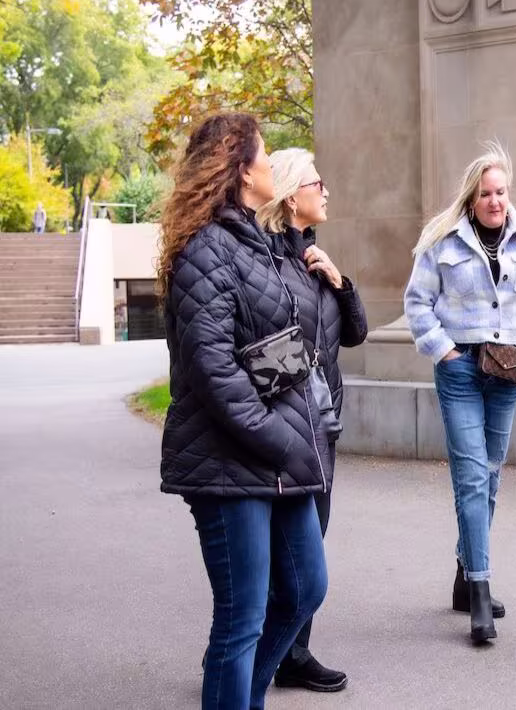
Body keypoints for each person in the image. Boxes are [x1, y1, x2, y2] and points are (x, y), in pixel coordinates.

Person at [157, 113, 331, 709]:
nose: (270, 161)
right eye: (263, 152)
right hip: (230, 460)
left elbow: (275, 342)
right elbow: (212, 370)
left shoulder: (255, 241)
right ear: (241, 169)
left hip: (278, 450)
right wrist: (279, 438)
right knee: (241, 617)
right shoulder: (205, 249)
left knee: (305, 589)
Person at [403, 141, 516, 644]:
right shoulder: (443, 240)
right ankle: (481, 594)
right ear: (471, 198)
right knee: (471, 477)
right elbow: (417, 303)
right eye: (486, 193)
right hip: (461, 370)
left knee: (489, 478)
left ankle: (465, 577)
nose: (495, 201)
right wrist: (444, 351)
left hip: (506, 372)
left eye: (501, 192)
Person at [255, 148, 368, 692]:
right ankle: (258, 652)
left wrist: (339, 282)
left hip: (322, 423)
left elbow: (356, 334)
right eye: (316, 183)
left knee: (310, 539)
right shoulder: (267, 261)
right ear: (290, 195)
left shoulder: (313, 258)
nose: (326, 192)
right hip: (287, 424)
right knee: (282, 551)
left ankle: (289, 652)